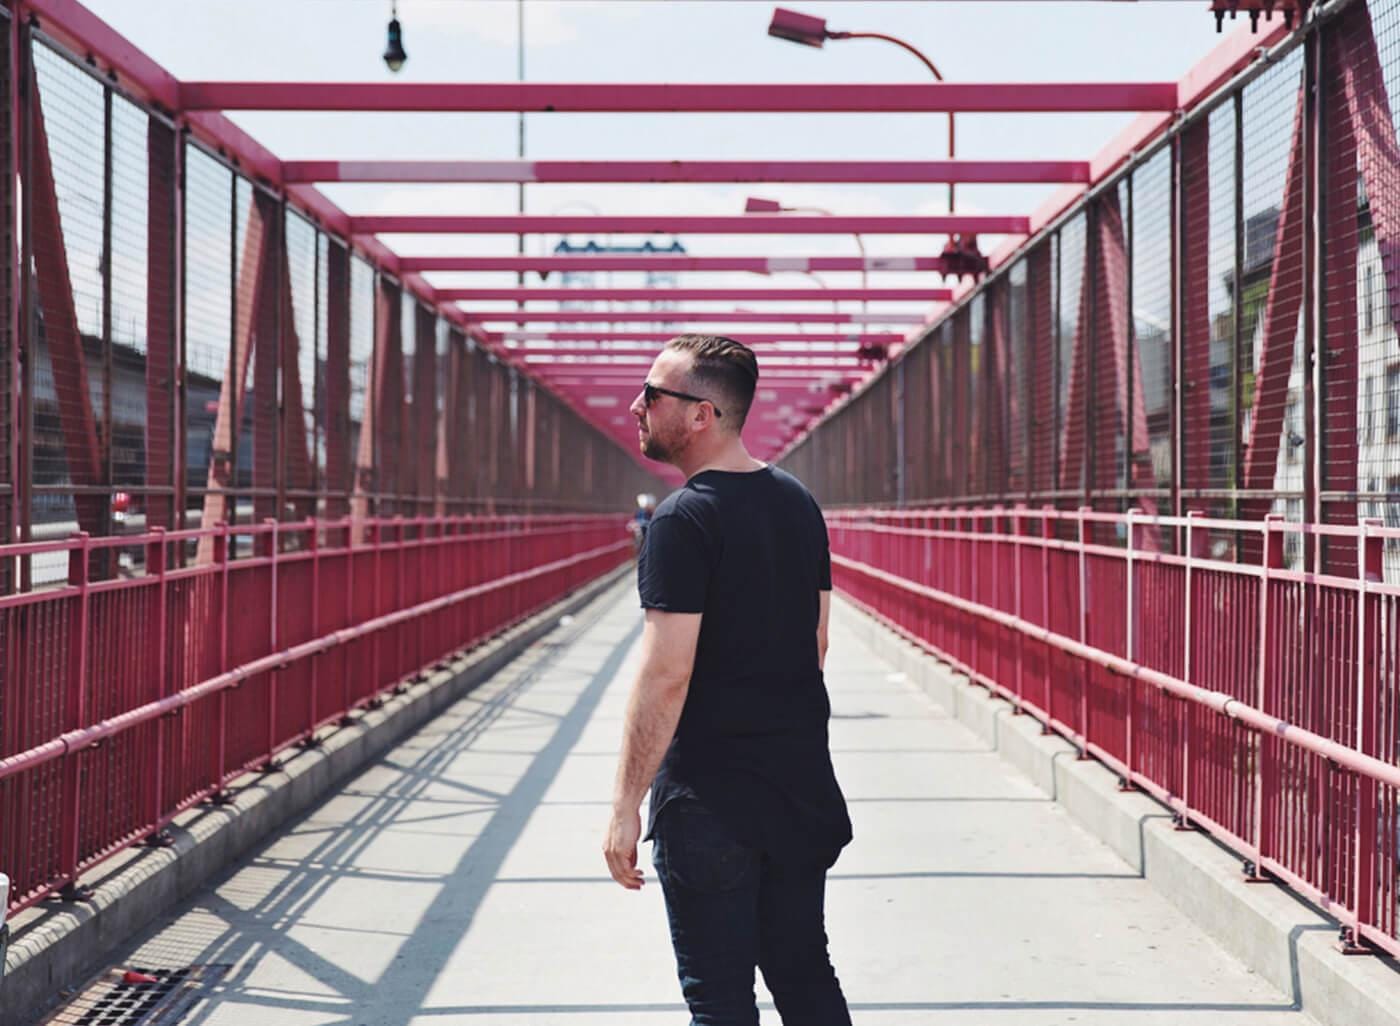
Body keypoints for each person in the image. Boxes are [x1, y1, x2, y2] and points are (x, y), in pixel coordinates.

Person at [603, 334, 853, 1025]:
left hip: (710, 804)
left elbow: (666, 674)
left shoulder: (683, 520)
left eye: (652, 396)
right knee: (805, 978)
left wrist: (626, 805)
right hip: (799, 788)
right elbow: (818, 639)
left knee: (720, 1002)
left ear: (701, 414)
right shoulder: (798, 503)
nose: (636, 406)